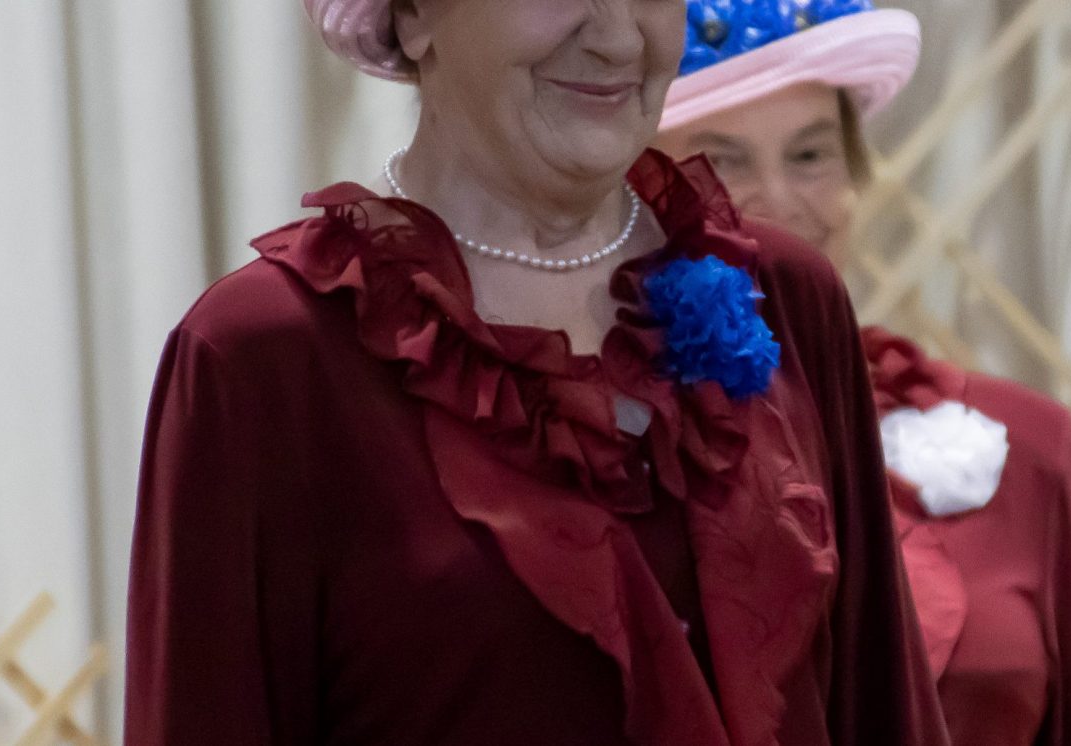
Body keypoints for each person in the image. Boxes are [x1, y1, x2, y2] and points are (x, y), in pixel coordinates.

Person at [124, 1, 949, 743]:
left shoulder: (783, 293)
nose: (618, 36)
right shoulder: (266, 355)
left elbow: (880, 704)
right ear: (413, 15)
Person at [655, 2, 1071, 744]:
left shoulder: (1028, 450)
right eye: (721, 162)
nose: (776, 203)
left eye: (811, 155)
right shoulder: (600, 453)